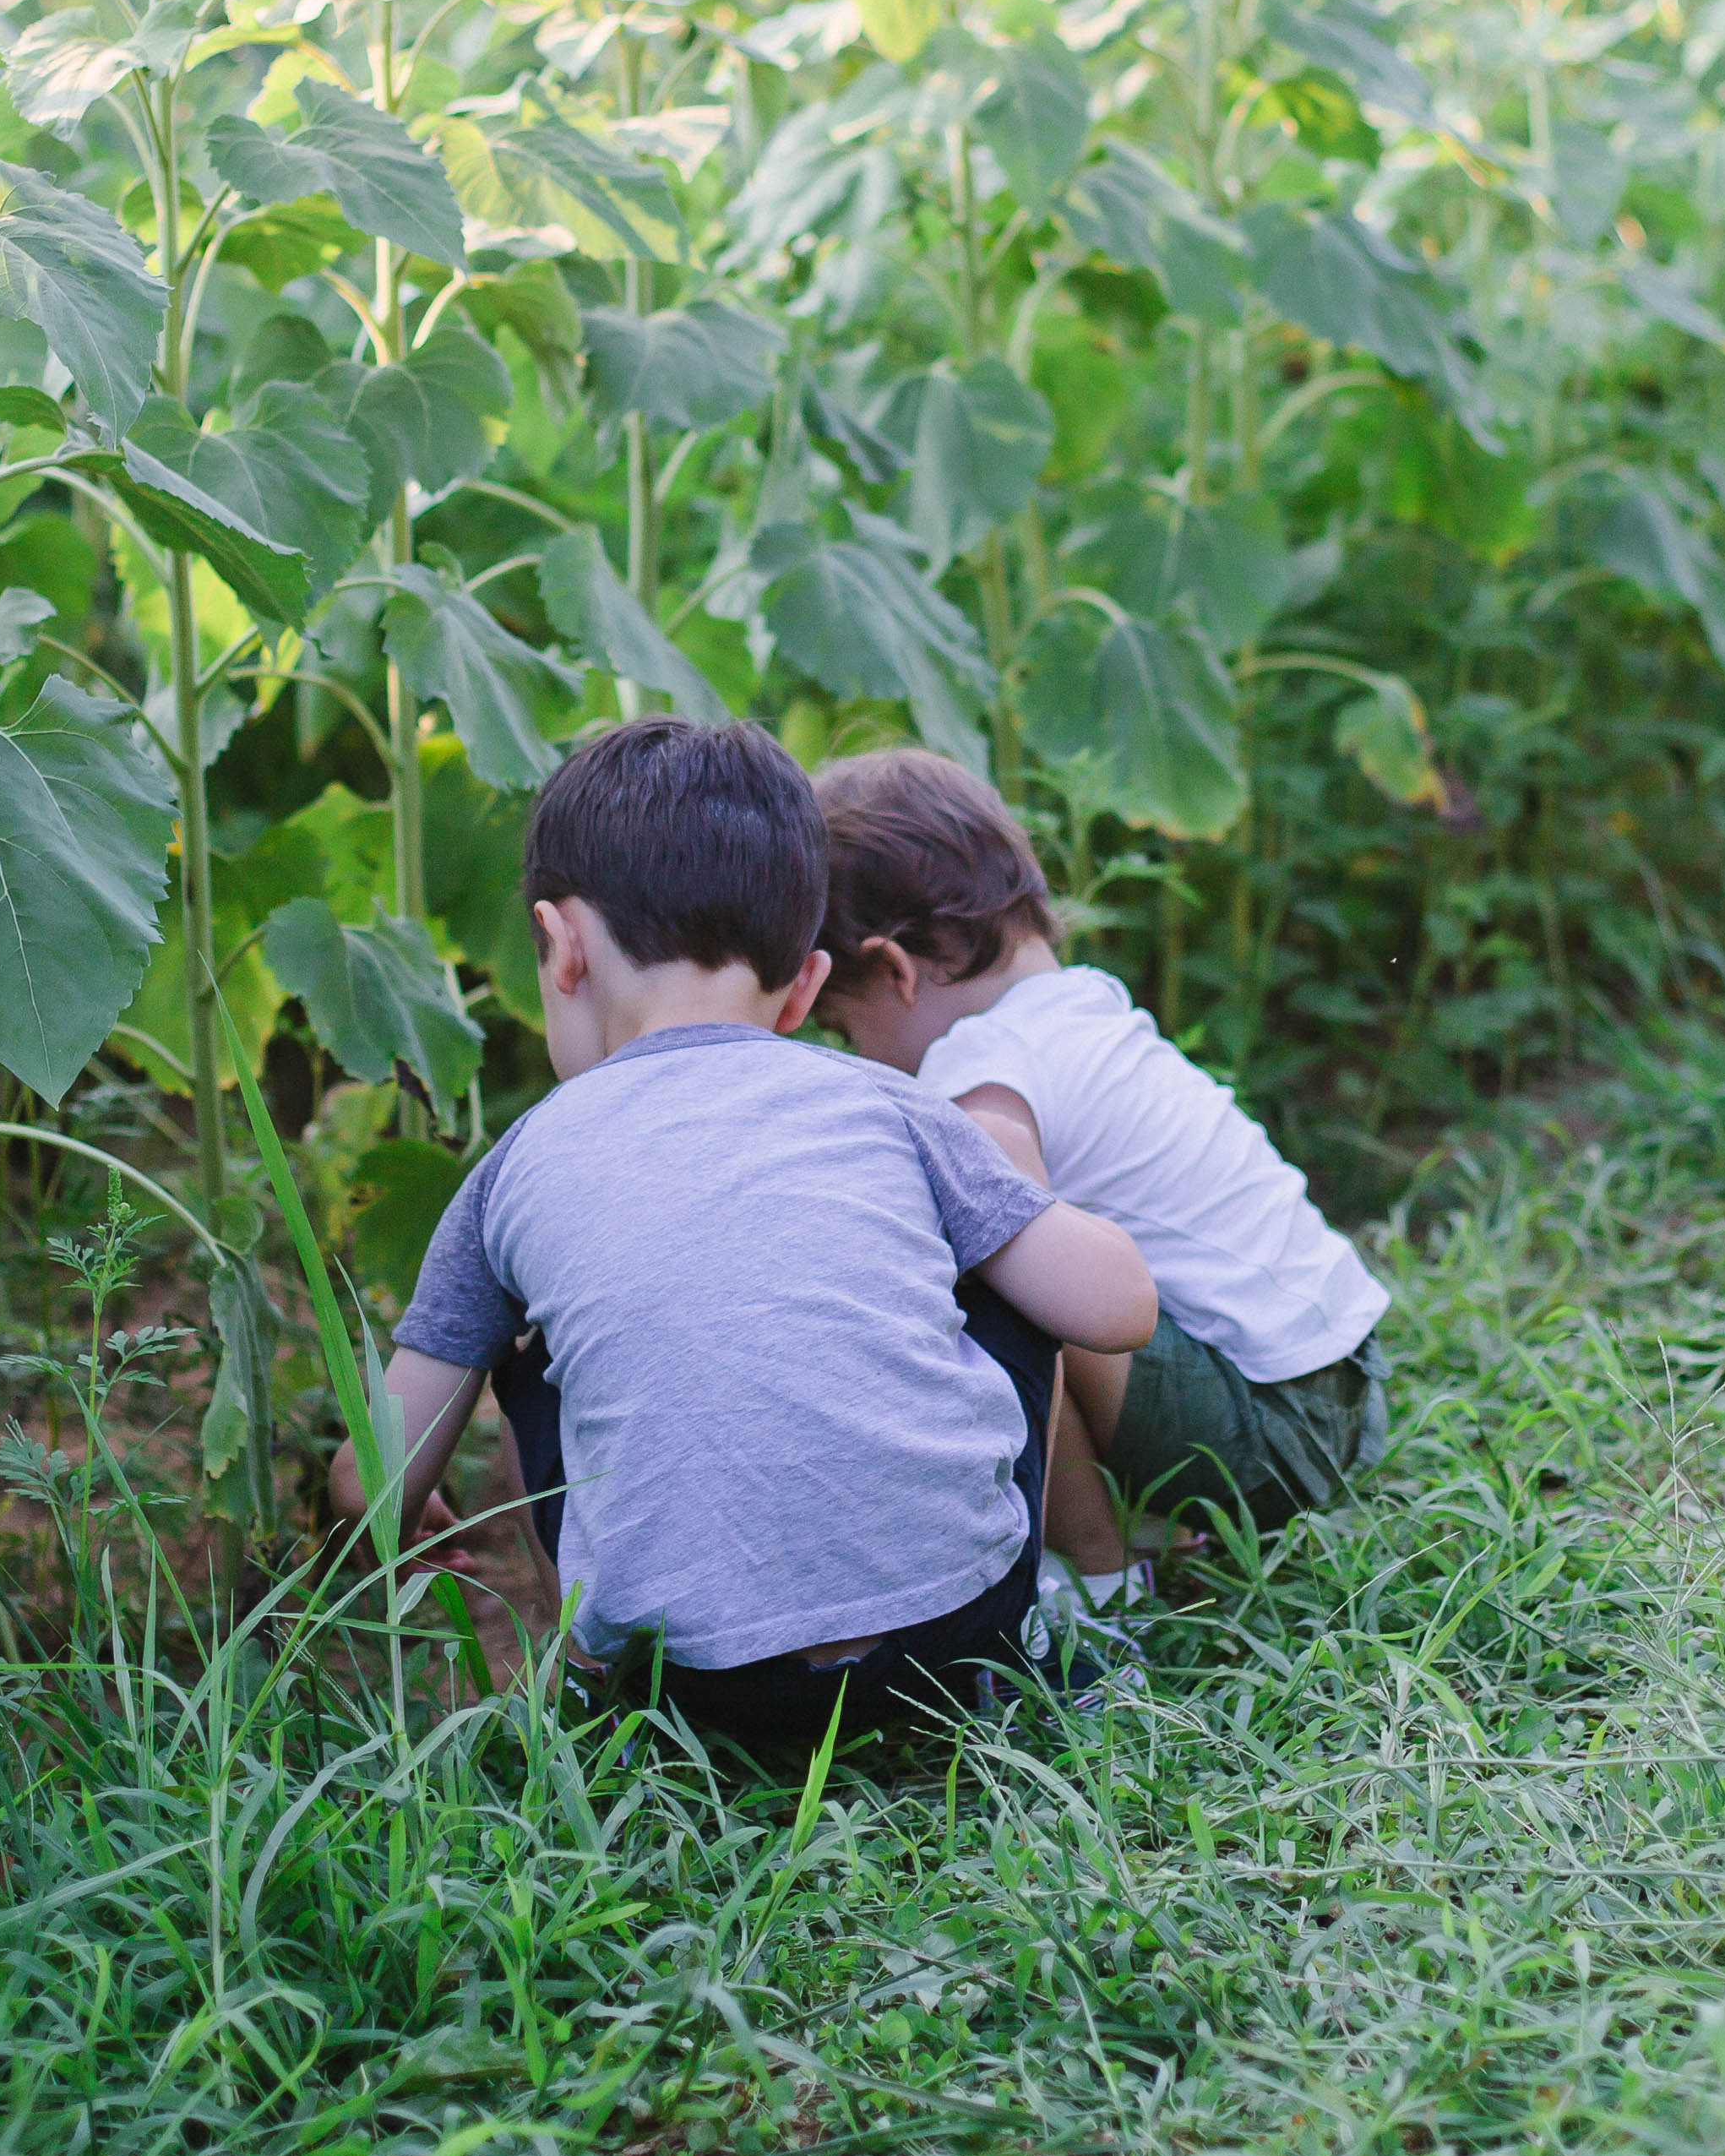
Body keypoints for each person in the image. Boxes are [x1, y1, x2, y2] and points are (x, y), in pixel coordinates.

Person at [342, 714, 1156, 1767]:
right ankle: (1047, 1630)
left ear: (562, 946)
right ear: (807, 988)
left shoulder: (512, 1172)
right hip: (951, 1639)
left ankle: (591, 1698)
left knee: (526, 1357)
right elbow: (1118, 1309)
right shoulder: (893, 1110)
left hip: (692, 1688)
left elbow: (372, 1488)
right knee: (1006, 1258)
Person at [814, 746, 1386, 1600]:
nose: (857, 1053)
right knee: (1041, 1249)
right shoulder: (1084, 1005)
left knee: (986, 1257)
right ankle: (1149, 1517)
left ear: (892, 971)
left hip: (1273, 1433)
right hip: (1343, 1392)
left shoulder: (982, 1076)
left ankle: (1098, 1578)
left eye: (841, 1028)